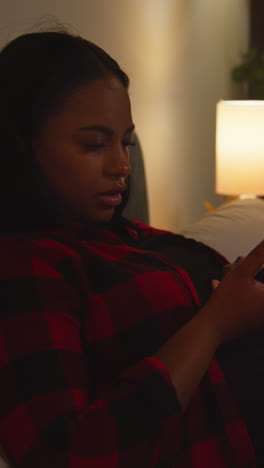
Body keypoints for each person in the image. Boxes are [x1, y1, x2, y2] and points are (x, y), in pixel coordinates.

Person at [0, 30, 264, 468]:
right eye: (94, 144)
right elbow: (67, 451)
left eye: (125, 141)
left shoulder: (131, 237)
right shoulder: (27, 265)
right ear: (20, 145)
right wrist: (215, 322)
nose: (122, 166)